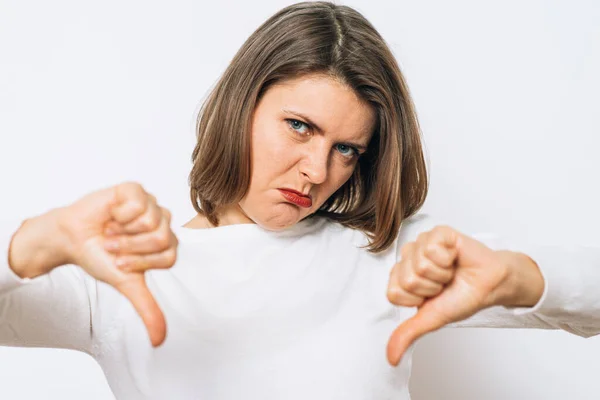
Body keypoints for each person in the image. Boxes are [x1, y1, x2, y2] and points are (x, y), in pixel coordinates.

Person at [2, 2, 599, 399]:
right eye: (299, 126)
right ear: (243, 104)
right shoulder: (119, 272)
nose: (317, 170)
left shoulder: (390, 259)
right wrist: (29, 244)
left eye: (348, 150)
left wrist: (523, 279)